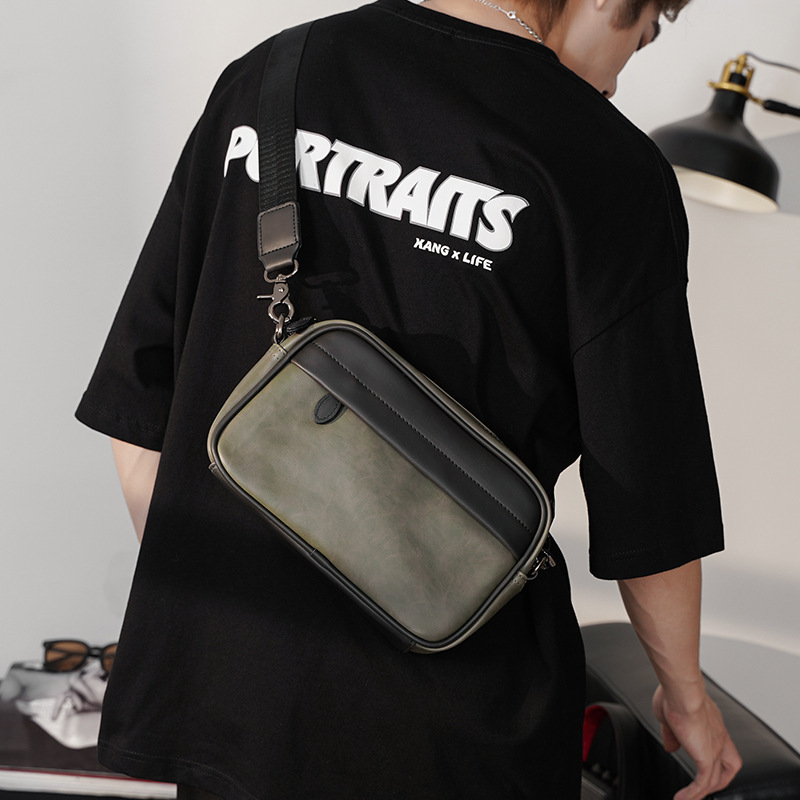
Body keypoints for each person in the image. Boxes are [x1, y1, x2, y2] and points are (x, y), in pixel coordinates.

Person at [76, 0, 743, 798]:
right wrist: (687, 698)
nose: (622, 74)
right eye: (646, 31)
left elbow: (138, 397)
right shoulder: (608, 167)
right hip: (452, 725)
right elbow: (649, 498)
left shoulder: (272, 75)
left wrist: (234, 607)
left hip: (234, 705)